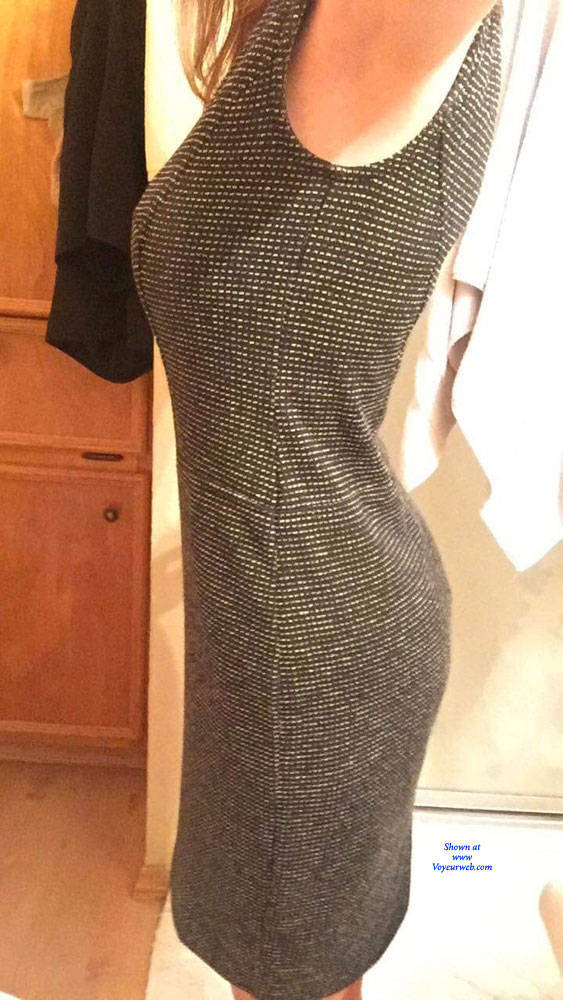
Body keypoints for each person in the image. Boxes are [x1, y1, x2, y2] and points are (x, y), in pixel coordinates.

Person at [131, 0, 502, 998]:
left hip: (310, 646)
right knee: (290, 966)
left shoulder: (393, 21)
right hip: (273, 620)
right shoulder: (298, 23)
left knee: (288, 967)